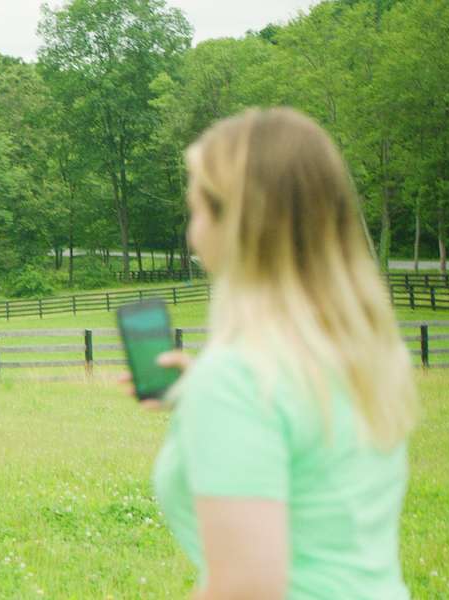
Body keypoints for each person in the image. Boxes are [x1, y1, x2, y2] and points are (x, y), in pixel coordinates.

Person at [141, 108, 419, 599]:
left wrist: (220, 393)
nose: (192, 232)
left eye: (197, 211)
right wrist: (203, 393)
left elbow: (246, 588)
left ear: (238, 223)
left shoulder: (237, 381)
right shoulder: (366, 351)